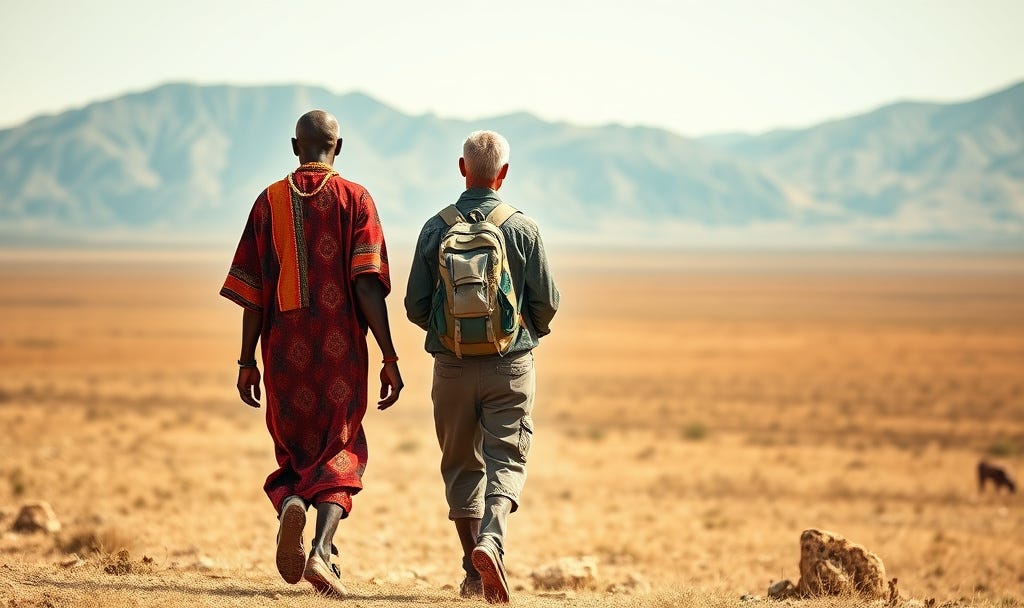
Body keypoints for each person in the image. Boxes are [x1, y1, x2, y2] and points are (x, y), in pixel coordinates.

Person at [220, 110, 403, 597]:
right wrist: (389, 355)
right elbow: (367, 285)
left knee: (295, 453)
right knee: (340, 450)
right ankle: (321, 550)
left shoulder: (268, 202)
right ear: (337, 147)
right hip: (342, 356)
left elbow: (253, 293)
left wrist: (246, 361)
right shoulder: (355, 199)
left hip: (283, 356)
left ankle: (291, 505)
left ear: (294, 145)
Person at [405, 130, 559, 603]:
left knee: (460, 465)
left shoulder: (435, 228)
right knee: (505, 458)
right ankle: (492, 541)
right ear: (503, 173)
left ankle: (473, 574)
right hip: (510, 365)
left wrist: (452, 334)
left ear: (462, 168)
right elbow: (548, 303)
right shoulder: (523, 228)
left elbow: (414, 305)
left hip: (450, 367)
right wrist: (519, 334)